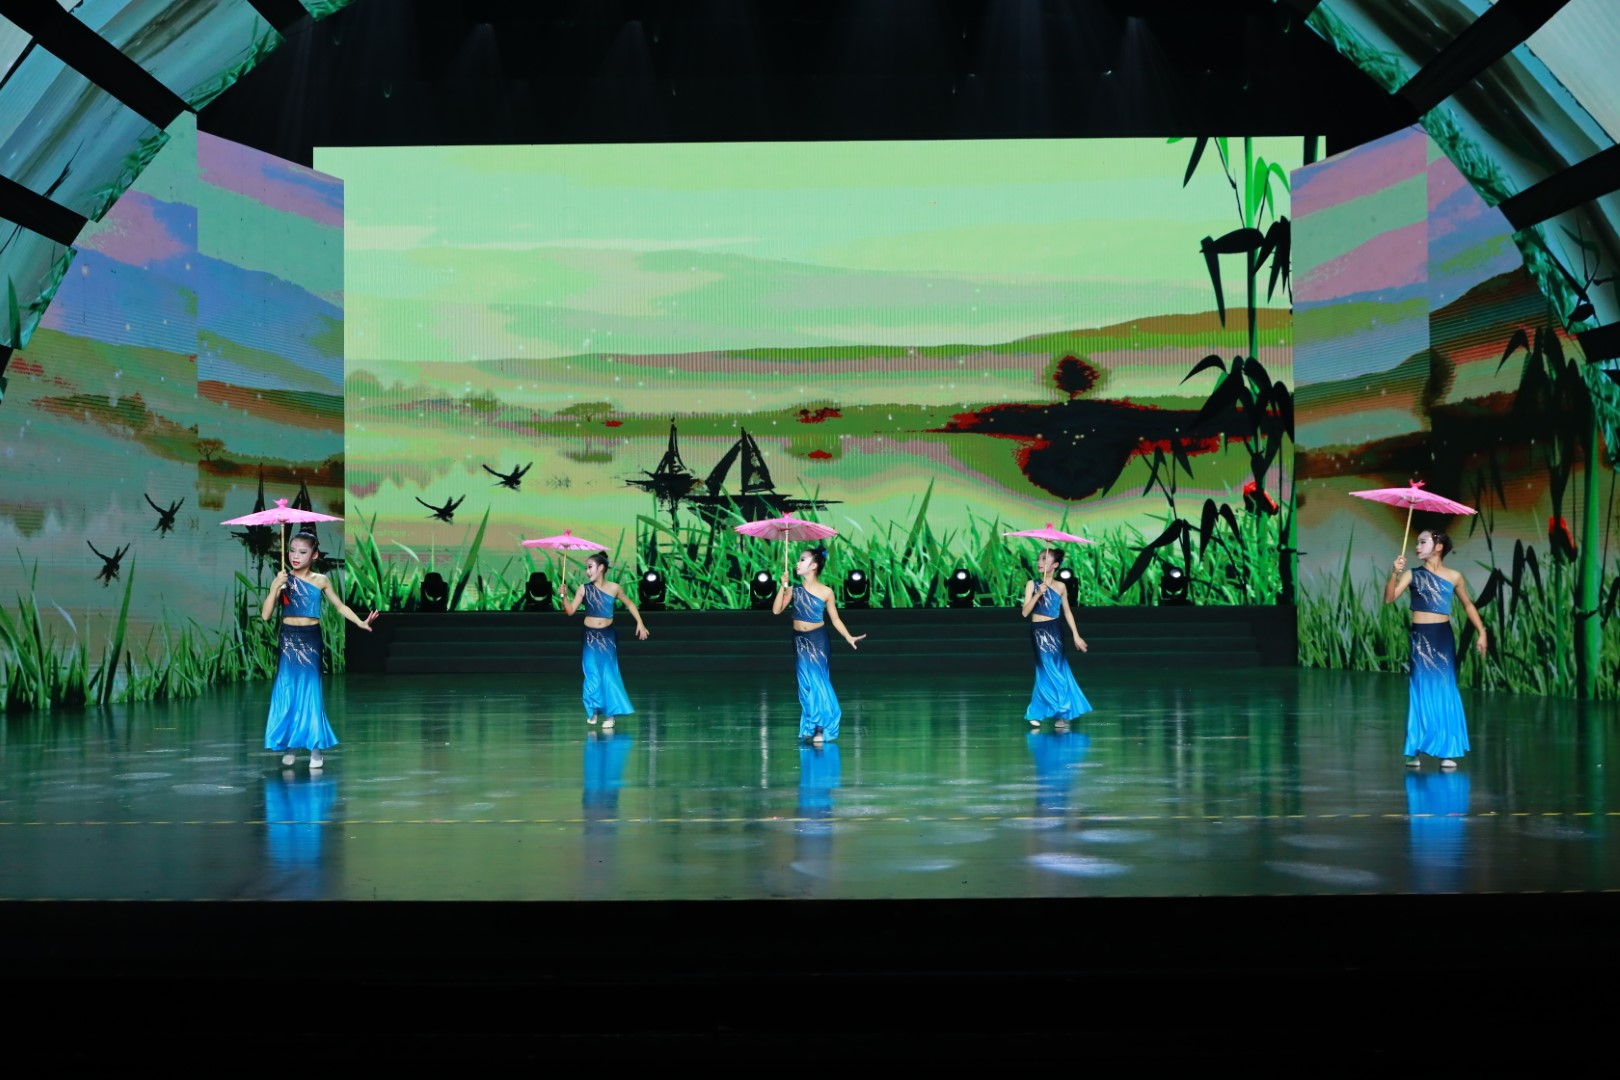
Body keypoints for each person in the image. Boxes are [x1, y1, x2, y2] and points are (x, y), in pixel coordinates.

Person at [262, 531, 379, 768]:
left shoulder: (321, 580)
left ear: (314, 555)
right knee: (288, 691)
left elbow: (339, 606)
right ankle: (291, 745)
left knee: (310, 692)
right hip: (289, 640)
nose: (295, 556)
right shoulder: (283, 579)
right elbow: (265, 615)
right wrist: (275, 587)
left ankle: (315, 748)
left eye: (302, 552)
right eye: (292, 551)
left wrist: (359, 622)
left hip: (311, 640)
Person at [1384, 529, 1487, 770]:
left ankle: (1447, 750)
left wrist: (1482, 632)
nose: (1417, 547)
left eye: (1423, 542)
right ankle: (1415, 749)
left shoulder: (1454, 576)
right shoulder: (1412, 574)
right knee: (1420, 690)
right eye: (1417, 542)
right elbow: (1389, 598)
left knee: (1444, 690)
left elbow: (1468, 605)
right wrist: (1394, 573)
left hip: (1442, 638)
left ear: (1438, 546)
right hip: (1420, 638)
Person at [773, 545, 865, 744]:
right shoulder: (794, 590)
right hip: (799, 641)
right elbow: (776, 610)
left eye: (802, 560)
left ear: (814, 566)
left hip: (818, 640)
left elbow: (835, 619)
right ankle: (811, 724)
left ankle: (820, 727)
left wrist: (848, 637)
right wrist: (783, 586)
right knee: (805, 684)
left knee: (818, 682)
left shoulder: (826, 592)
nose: (797, 563)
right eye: (798, 560)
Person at [558, 553, 649, 727]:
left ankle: (610, 715)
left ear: (601, 568)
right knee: (591, 673)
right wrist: (564, 597)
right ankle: (593, 711)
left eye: (590, 567)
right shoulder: (583, 589)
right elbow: (570, 611)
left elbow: (630, 604)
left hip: (607, 637)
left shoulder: (614, 588)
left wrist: (640, 623)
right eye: (586, 568)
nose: (587, 571)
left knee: (608, 673)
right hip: (589, 637)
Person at [1020, 547, 1091, 726]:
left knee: (1057, 669)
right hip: (1038, 631)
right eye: (1039, 558)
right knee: (1044, 669)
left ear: (1055, 565)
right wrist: (1038, 593)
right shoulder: (1032, 584)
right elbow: (1025, 612)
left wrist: (1076, 635)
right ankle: (1038, 711)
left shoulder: (1061, 586)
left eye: (1045, 559)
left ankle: (1061, 714)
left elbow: (1067, 612)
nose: (1039, 562)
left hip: (1055, 631)